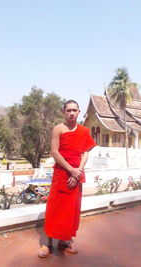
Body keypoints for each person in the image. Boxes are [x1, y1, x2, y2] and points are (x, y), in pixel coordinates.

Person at [38, 99, 96, 258]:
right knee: (55, 207)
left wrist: (78, 171)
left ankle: (64, 241)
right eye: (68, 110)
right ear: (64, 112)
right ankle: (47, 243)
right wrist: (71, 170)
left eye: (75, 110)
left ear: (79, 112)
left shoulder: (84, 131)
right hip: (62, 172)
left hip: (77, 173)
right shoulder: (58, 129)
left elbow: (86, 152)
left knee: (71, 210)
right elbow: (55, 152)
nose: (72, 113)